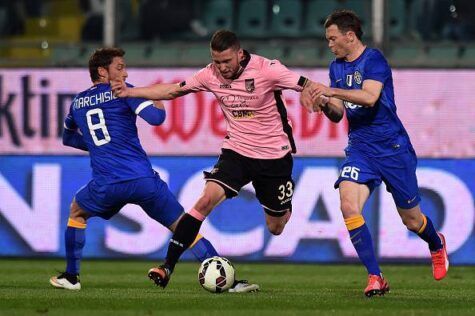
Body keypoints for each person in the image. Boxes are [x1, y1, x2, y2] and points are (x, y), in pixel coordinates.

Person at [112, 29, 317, 289]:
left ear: (239, 54)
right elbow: (174, 90)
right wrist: (131, 93)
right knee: (205, 200)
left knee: (276, 226)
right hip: (237, 152)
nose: (221, 67)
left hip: (274, 156)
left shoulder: (268, 70)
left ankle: (283, 208)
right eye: (217, 61)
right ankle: (167, 267)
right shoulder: (209, 74)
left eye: (227, 62)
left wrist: (310, 91)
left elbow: (306, 83)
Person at [49, 47, 258, 293]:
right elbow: (156, 119)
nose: (125, 74)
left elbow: (68, 138)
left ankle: (72, 277)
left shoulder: (78, 102)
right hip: (143, 181)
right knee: (184, 227)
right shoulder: (123, 93)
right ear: (102, 71)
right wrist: (158, 101)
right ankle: (228, 282)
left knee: (77, 211)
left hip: (106, 184)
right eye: (120, 67)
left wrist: (99, 147)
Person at [300, 10, 449, 297]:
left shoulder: (374, 60)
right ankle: (375, 276)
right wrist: (324, 103)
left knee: (412, 221)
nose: (329, 45)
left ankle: (435, 242)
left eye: (332, 39)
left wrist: (329, 91)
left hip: (392, 148)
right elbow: (338, 114)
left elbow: (369, 98)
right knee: (347, 205)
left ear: (350, 36)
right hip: (360, 148)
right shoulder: (336, 67)